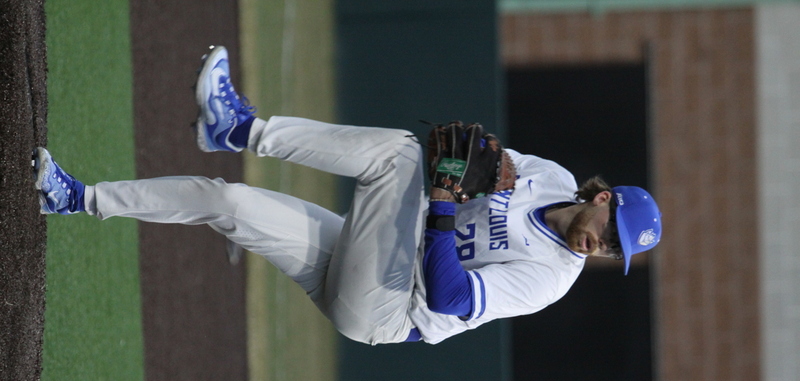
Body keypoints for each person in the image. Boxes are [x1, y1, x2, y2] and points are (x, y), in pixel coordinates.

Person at [31, 45, 662, 346]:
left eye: (616, 252)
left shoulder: (551, 279)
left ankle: (239, 129)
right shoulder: (549, 177)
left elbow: (449, 297)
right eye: (612, 234)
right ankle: (76, 198)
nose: (603, 247)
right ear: (604, 200)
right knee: (227, 204)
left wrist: (443, 201)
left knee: (400, 158)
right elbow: (477, 163)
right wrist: (469, 171)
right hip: (371, 257)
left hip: (389, 308)